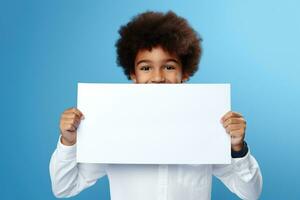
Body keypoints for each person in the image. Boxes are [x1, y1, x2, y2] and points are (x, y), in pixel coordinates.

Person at [49, 11, 262, 200]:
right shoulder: (112, 129)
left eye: (169, 66)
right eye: (145, 68)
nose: (158, 77)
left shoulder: (208, 128)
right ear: (132, 74)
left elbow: (250, 193)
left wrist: (237, 148)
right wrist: (69, 142)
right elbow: (64, 188)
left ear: (184, 73)